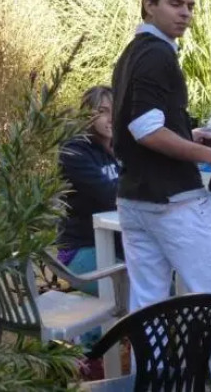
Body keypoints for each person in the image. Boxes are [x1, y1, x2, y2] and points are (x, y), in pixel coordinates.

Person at [111, 0, 211, 391]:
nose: (185, 13)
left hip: (134, 200)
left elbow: (138, 126)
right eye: (175, 3)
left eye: (190, 6)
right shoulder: (157, 54)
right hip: (174, 202)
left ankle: (155, 385)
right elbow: (144, 129)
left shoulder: (131, 53)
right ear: (149, 4)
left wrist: (187, 134)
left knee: (148, 308)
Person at [56, 86, 121, 296]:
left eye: (115, 111)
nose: (111, 118)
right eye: (102, 111)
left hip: (118, 246)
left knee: (166, 280)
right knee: (145, 294)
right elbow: (110, 195)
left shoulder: (120, 149)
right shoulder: (74, 152)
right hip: (81, 250)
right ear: (87, 115)